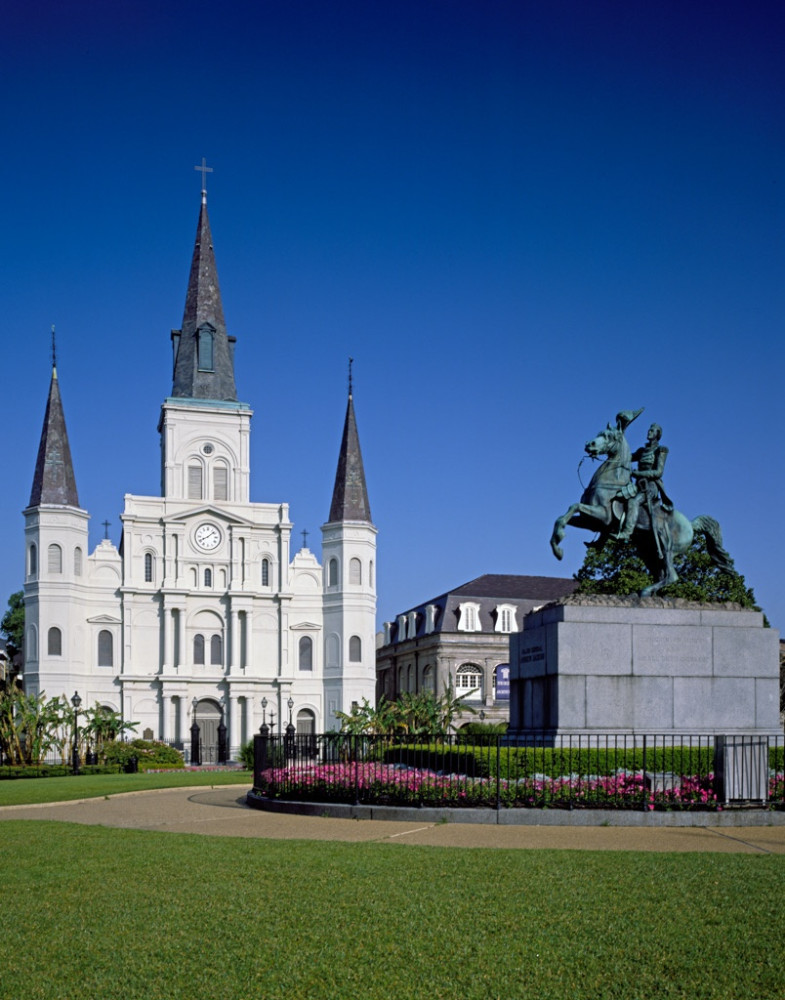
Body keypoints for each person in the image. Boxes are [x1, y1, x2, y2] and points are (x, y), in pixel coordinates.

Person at [614, 423, 673, 542]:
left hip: (651, 486)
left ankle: (627, 533)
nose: (649, 432)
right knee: (617, 497)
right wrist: (620, 436)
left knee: (633, 502)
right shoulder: (642, 451)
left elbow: (658, 472)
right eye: (649, 430)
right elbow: (625, 457)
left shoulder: (661, 450)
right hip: (638, 485)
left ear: (657, 434)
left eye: (652, 430)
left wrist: (638, 474)